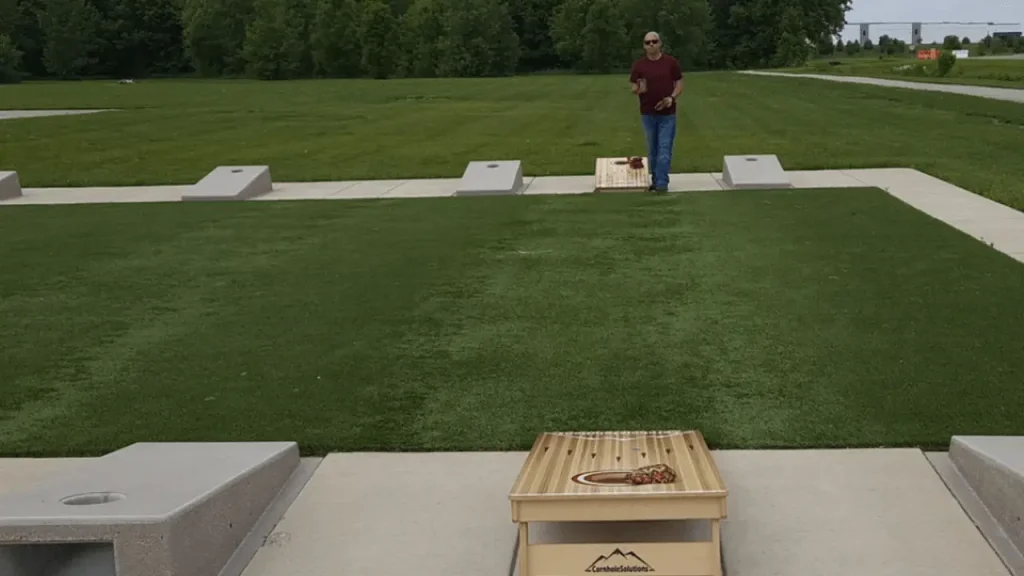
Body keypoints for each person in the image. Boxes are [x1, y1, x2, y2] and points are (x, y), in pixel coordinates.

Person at [629, 32, 683, 193]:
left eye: (654, 41)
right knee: (653, 150)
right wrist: (638, 89)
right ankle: (655, 179)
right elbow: (633, 86)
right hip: (647, 113)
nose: (651, 44)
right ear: (644, 46)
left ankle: (661, 184)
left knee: (664, 148)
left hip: (668, 113)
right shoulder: (639, 65)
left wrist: (671, 98)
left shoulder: (670, 62)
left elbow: (679, 83)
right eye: (648, 42)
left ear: (660, 43)